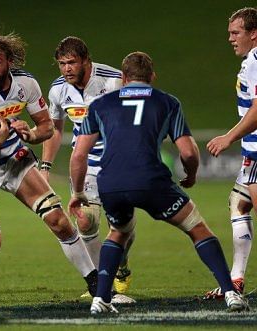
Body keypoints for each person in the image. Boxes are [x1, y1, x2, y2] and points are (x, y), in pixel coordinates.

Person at [69, 51, 249, 314]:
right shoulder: (167, 102)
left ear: (123, 77)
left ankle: (101, 299)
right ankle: (231, 293)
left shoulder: (100, 104)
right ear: (152, 76)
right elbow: (187, 152)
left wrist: (76, 192)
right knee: (198, 229)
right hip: (151, 180)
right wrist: (191, 174)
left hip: (112, 182)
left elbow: (78, 154)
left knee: (118, 233)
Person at [0, 32, 98, 297]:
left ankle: (95, 283)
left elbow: (46, 127)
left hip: (13, 161)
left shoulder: (25, 84)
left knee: (59, 221)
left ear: (9, 61)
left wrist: (28, 134)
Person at [42, 36, 135, 296]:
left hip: (118, 163)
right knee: (85, 221)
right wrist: (45, 165)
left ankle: (122, 266)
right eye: (61, 64)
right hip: (85, 164)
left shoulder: (115, 80)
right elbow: (55, 130)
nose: (67, 69)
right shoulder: (58, 89)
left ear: (86, 60)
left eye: (71, 62)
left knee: (122, 226)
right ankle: (102, 284)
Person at [204, 7, 257, 300]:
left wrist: (229, 137)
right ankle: (236, 279)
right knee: (239, 202)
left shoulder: (256, 61)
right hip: (253, 151)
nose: (230, 39)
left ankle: (236, 280)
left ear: (254, 33)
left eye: (235, 33)